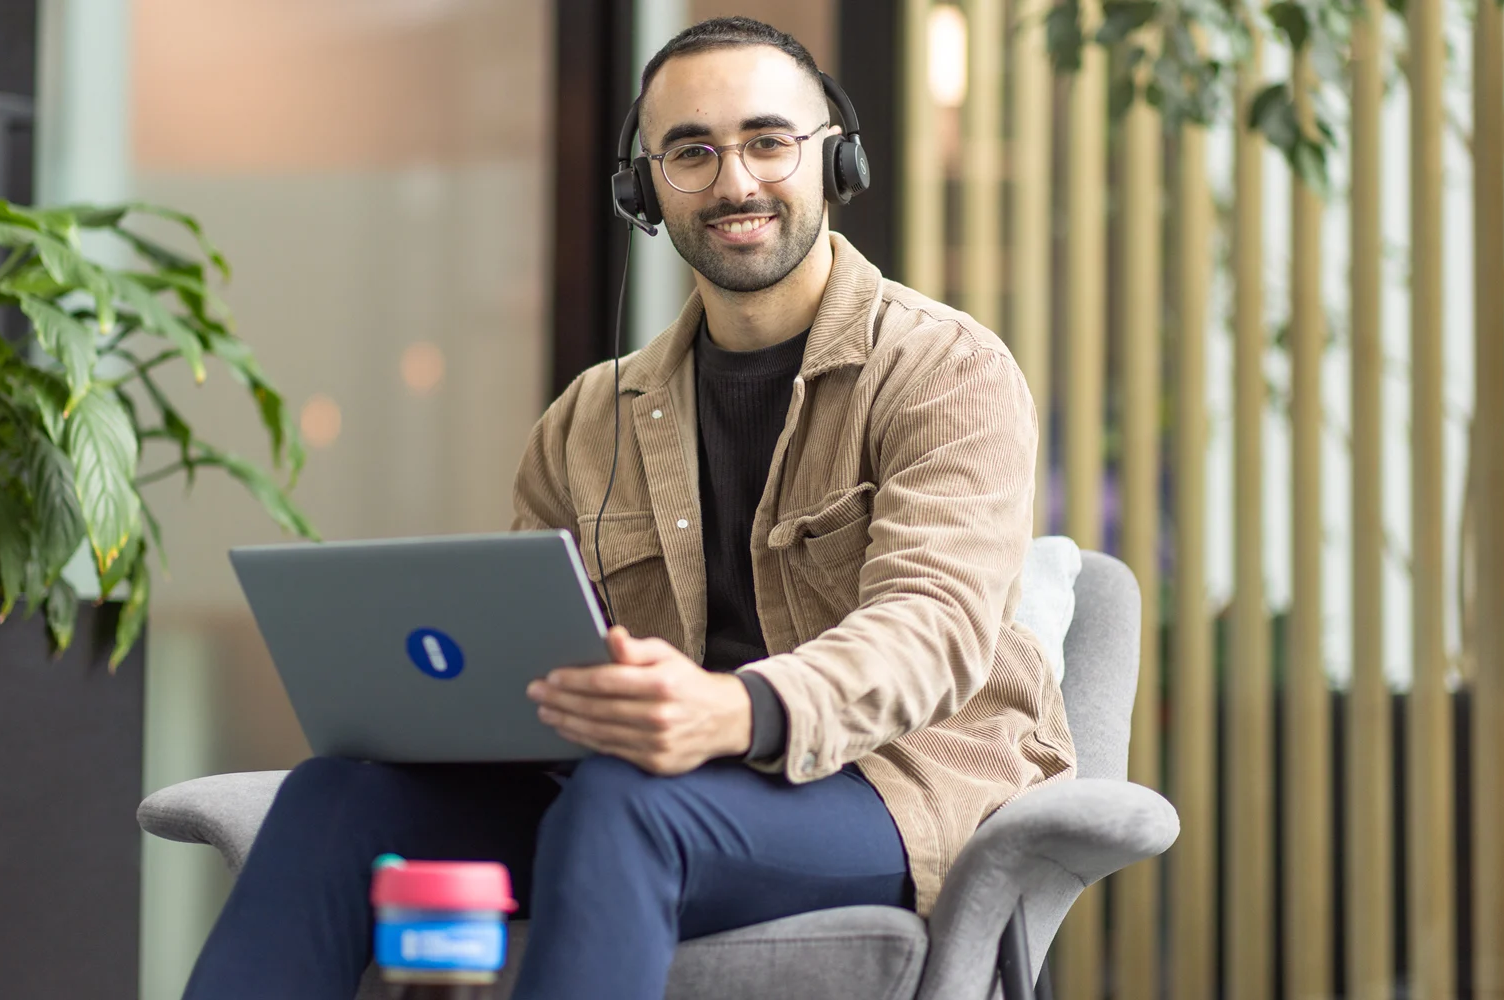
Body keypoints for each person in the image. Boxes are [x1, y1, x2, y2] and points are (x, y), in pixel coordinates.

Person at [181, 17, 1075, 1000]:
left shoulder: (946, 371)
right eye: (690, 152)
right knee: (338, 797)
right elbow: (524, 645)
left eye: (768, 141)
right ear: (642, 188)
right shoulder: (587, 419)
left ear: (834, 160)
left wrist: (732, 707)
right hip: (641, 784)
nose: (734, 181)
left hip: (887, 781)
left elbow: (933, 627)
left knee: (625, 803)